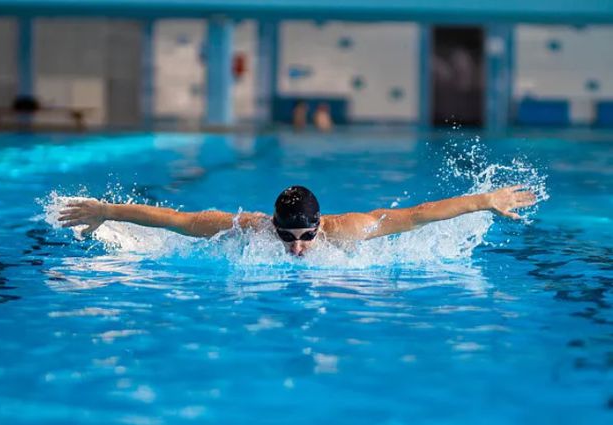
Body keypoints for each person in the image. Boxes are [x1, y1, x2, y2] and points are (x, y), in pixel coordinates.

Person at [58, 185, 537, 257]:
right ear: (271, 223)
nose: (296, 247)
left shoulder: (350, 230)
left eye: (305, 235)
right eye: (285, 235)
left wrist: (483, 200)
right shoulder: (246, 228)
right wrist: (105, 210)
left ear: (320, 223)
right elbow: (176, 220)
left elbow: (417, 216)